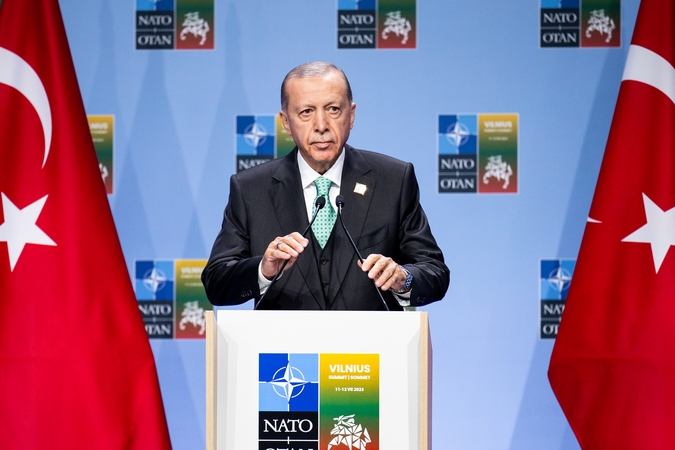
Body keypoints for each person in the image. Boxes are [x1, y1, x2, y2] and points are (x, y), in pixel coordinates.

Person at [202, 62, 449, 310]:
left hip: (370, 337)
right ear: (286, 121)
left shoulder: (393, 180)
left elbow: (435, 271)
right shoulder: (251, 189)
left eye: (333, 109)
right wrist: (263, 271)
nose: (321, 125)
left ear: (351, 115)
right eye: (306, 112)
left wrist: (403, 279)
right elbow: (216, 282)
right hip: (285, 337)